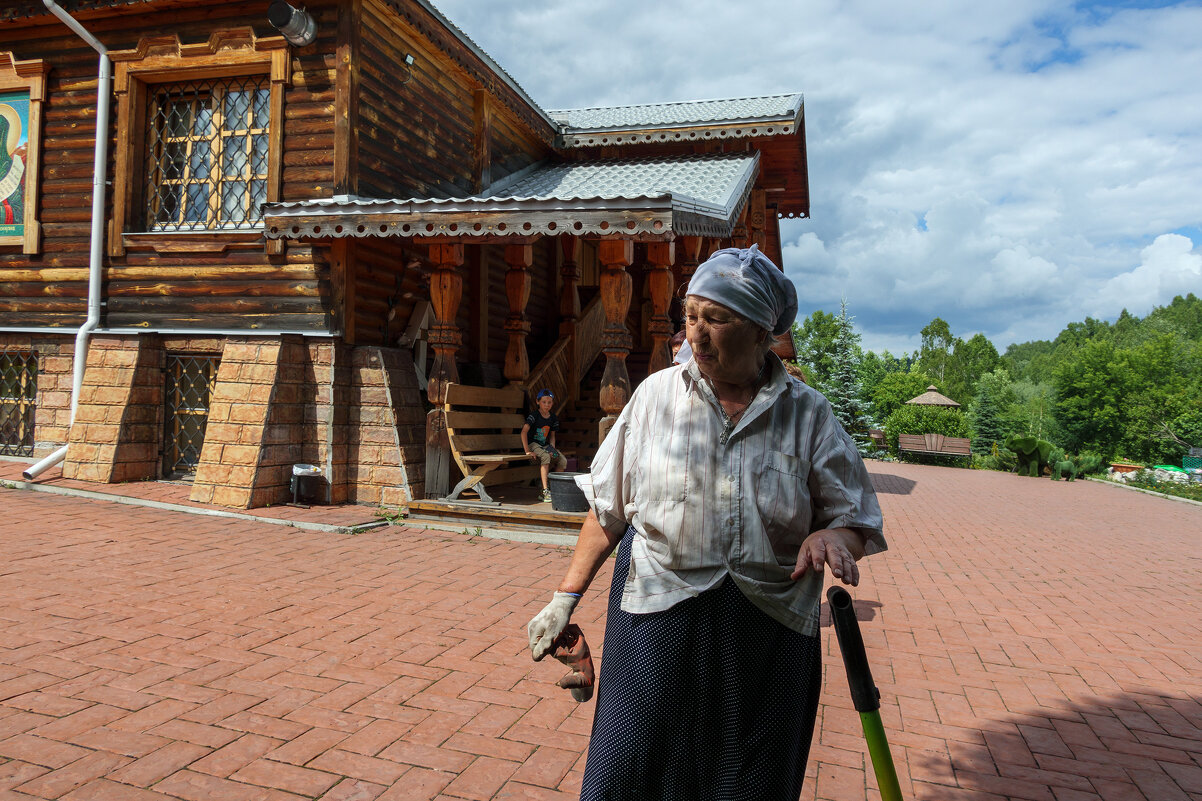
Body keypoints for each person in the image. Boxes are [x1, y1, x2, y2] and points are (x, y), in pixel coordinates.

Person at [526, 244, 886, 800]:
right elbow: (608, 509)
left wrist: (834, 536)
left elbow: (856, 517)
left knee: (751, 782)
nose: (696, 333)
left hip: (768, 628)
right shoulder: (654, 398)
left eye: (716, 319)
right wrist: (564, 599)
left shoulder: (807, 414)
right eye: (691, 316)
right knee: (628, 773)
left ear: (763, 331)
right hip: (657, 614)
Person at [522, 388, 567, 503]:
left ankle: (553, 488)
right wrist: (527, 451)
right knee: (546, 457)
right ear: (538, 402)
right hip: (533, 444)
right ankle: (545, 491)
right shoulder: (534, 416)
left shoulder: (553, 418)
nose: (547, 405)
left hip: (544, 445)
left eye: (549, 402)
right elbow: (524, 432)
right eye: (544, 402)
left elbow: (552, 436)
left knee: (562, 460)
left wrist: (552, 448)